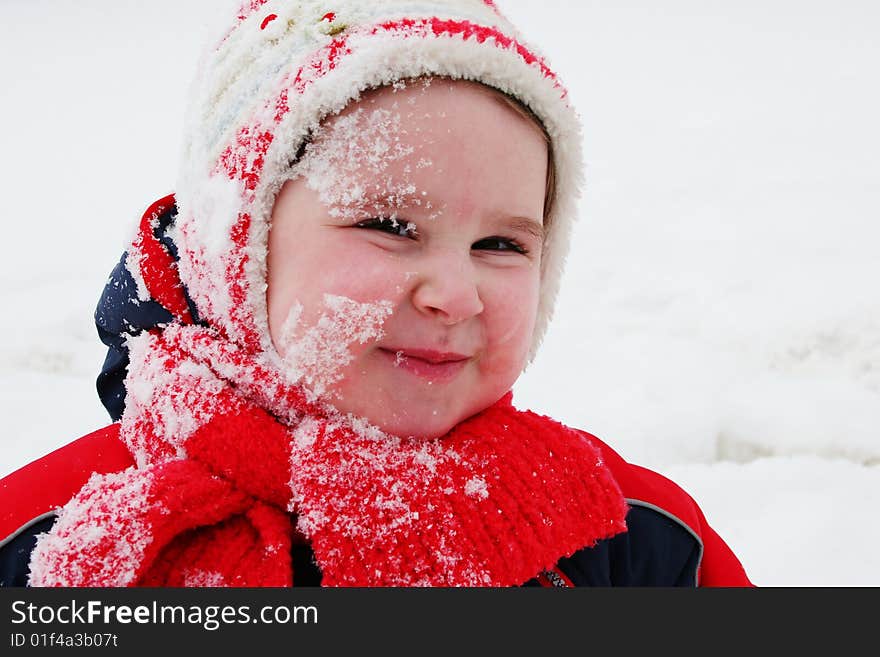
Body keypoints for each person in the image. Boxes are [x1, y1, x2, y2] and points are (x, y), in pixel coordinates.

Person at [0, 0, 752, 587]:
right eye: (390, 225)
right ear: (239, 250)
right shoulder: (50, 542)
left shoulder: (627, 539)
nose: (455, 295)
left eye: (502, 243)